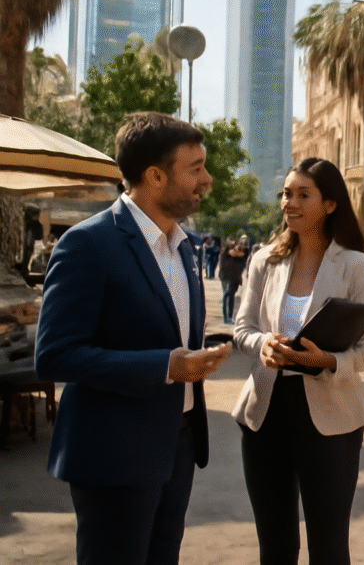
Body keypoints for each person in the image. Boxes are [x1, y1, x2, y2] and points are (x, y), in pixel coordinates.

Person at [34, 111, 232, 565]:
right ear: (155, 176)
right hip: (114, 455)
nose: (208, 178)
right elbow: (56, 354)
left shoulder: (185, 245)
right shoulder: (87, 244)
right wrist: (166, 366)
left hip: (177, 447)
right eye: (196, 167)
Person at [232, 156, 364, 565]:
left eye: (304, 194)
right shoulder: (264, 260)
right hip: (264, 413)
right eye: (286, 194)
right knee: (276, 546)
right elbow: (242, 327)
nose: (290, 202)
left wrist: (331, 361)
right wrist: (262, 343)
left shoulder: (356, 264)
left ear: (330, 204)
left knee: (329, 546)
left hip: (331, 416)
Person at [218, 237, 247, 324]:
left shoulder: (242, 256)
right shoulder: (224, 255)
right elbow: (222, 267)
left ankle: (229, 317)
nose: (235, 249)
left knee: (230, 296)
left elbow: (242, 266)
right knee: (227, 295)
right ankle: (226, 317)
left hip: (235, 279)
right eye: (233, 247)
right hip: (226, 278)